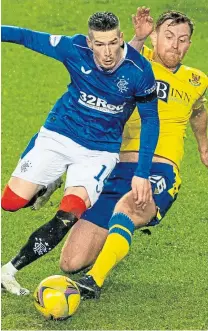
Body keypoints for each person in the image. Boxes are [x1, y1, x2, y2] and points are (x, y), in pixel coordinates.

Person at [1, 10, 159, 295]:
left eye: (113, 43)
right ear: (90, 43)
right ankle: (48, 181)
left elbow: (150, 120)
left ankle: (8, 271)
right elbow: (24, 36)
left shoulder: (140, 71)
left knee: (69, 213)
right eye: (100, 44)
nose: (107, 52)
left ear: (121, 38)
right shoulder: (73, 48)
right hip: (60, 135)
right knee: (11, 202)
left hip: (99, 152)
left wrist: (142, 173)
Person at [72, 9, 208, 298]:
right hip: (116, 167)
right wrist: (137, 37)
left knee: (131, 204)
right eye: (169, 37)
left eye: (183, 40)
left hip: (160, 171)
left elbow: (198, 112)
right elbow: (108, 71)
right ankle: (116, 240)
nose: (175, 45)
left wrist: (203, 145)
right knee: (71, 260)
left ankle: (94, 281)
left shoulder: (197, 80)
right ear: (156, 36)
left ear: (189, 44)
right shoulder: (137, 59)